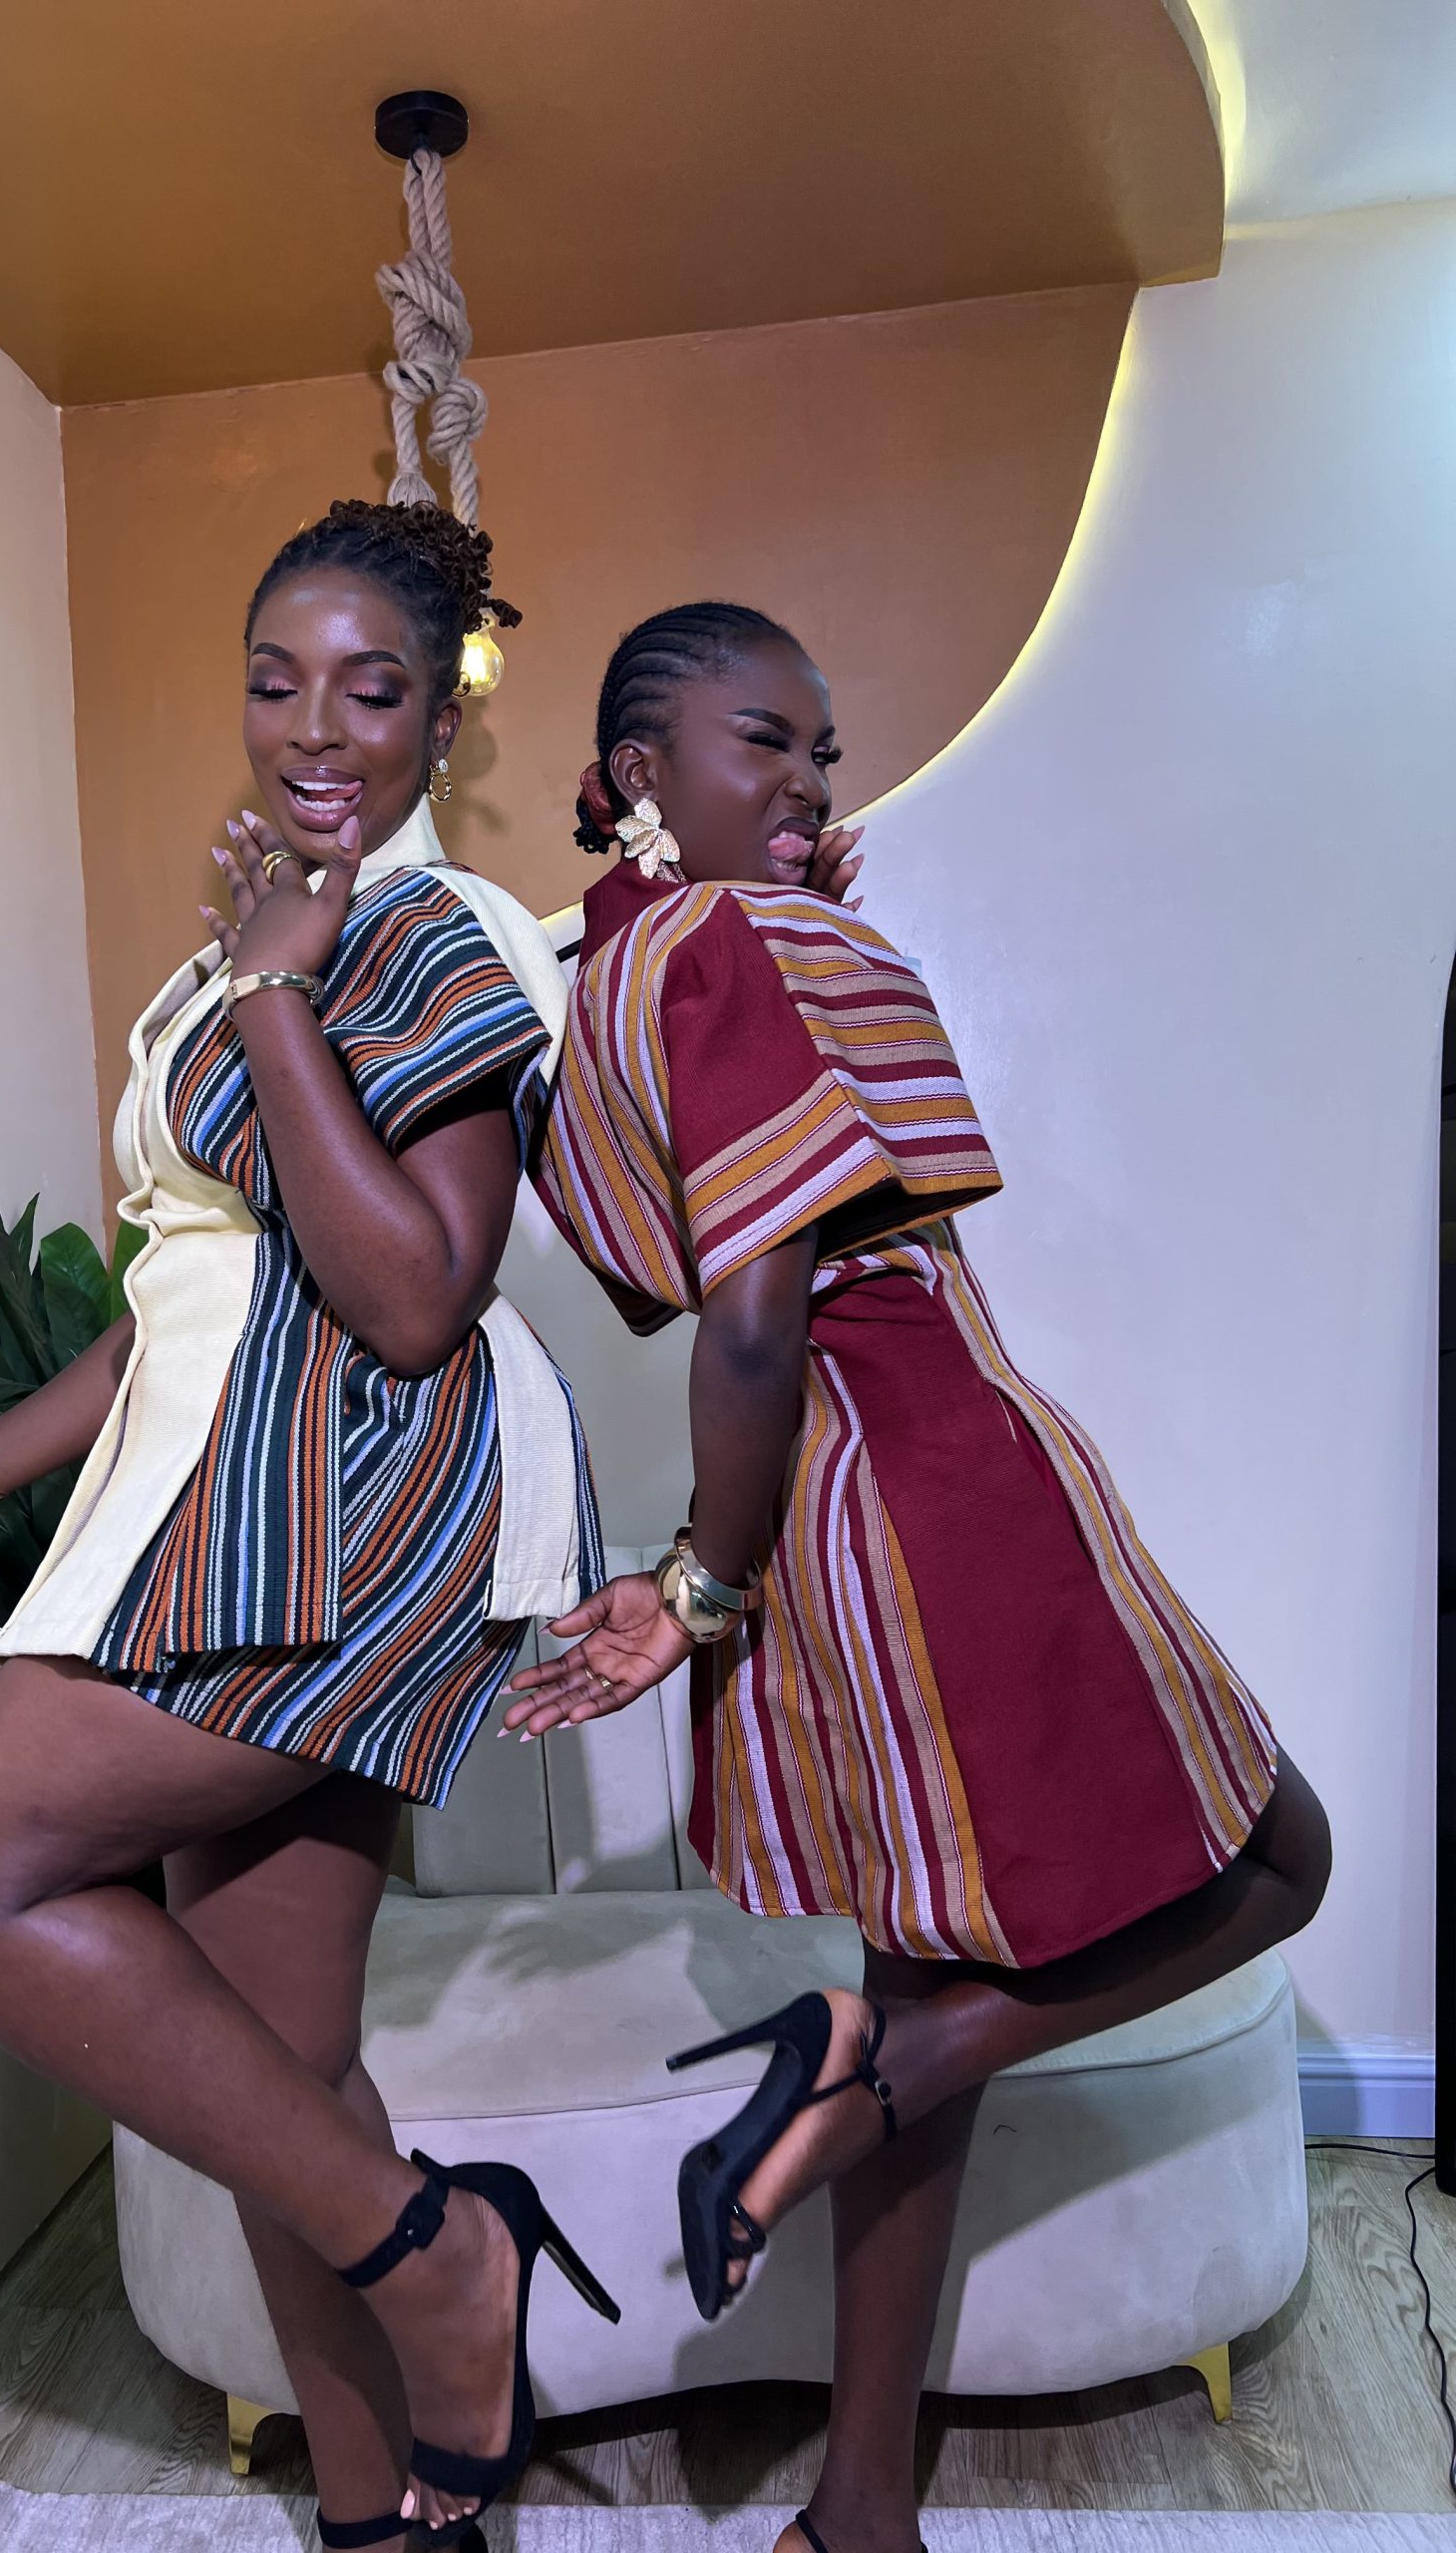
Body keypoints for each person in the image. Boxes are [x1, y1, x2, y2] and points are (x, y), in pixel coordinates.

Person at [0, 501, 620, 2550]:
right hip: (208, 1502)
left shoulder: (441, 935)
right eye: (278, 682)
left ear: (442, 718)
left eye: (372, 688)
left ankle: (448, 2252)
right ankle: (391, 2516)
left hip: (341, 1515)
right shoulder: (230, 961)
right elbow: (186, 1296)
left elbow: (416, 1295)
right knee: (277, 2069)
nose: (315, 728)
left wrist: (279, 994)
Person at [508, 602, 1332, 2553]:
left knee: (925, 1964)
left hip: (829, 1520)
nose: (807, 782)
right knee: (1282, 1858)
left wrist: (725, 1576)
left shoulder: (628, 962)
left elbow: (672, 1257)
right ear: (639, 772)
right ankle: (883, 2066)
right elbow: (749, 1314)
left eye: (825, 753)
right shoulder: (741, 948)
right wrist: (696, 1589)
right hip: (934, 1479)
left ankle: (858, 2503)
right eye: (764, 742)